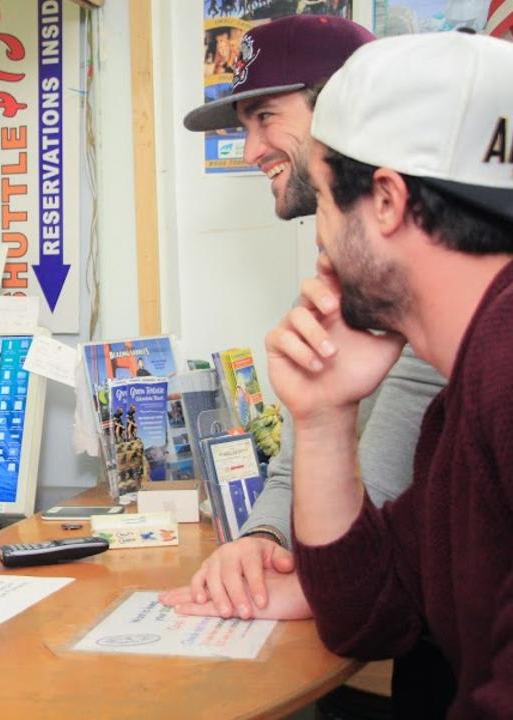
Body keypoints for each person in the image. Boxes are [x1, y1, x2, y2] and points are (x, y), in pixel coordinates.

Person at [168, 16, 452, 715]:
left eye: (266, 116)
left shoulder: (428, 268)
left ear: (348, 109)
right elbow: (304, 451)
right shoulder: (340, 263)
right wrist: (261, 539)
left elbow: (382, 514)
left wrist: (298, 579)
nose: (249, 148)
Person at [266, 32, 513, 716]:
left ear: (385, 200)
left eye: (319, 197)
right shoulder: (465, 392)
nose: (318, 233)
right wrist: (323, 419)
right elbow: (370, 614)